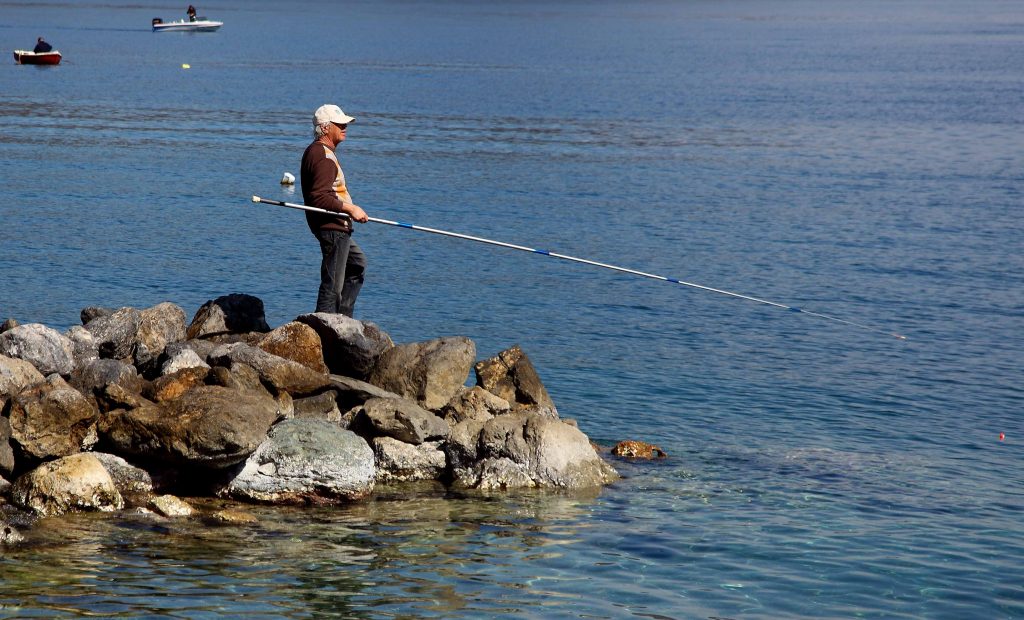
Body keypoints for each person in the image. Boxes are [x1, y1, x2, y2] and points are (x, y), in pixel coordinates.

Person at [301, 104, 369, 316]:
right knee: (332, 285)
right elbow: (319, 197)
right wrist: (350, 208)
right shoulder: (322, 156)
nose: (345, 127)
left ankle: (343, 320)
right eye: (339, 124)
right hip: (332, 226)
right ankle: (325, 328)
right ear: (325, 127)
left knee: (357, 265)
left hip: (337, 226)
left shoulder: (321, 152)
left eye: (344, 124)